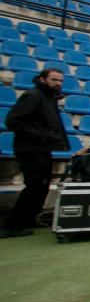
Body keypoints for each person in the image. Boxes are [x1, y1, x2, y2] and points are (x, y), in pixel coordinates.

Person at [2, 69, 68, 238]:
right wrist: (38, 136)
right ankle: (12, 225)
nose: (58, 83)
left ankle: (28, 220)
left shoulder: (48, 98)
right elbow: (13, 120)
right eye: (54, 79)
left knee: (41, 186)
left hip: (42, 148)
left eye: (60, 80)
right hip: (30, 149)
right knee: (34, 187)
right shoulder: (33, 96)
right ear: (42, 79)